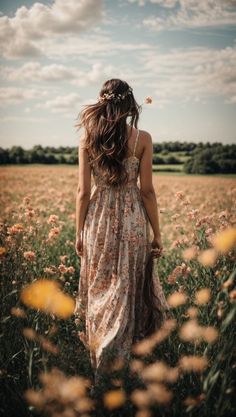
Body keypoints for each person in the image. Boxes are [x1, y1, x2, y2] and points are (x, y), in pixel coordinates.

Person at [74, 79, 169, 386]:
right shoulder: (142, 138)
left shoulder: (88, 137)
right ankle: (126, 359)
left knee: (101, 287)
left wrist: (78, 233)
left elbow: (82, 192)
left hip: (98, 220)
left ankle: (102, 353)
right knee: (127, 289)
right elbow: (148, 192)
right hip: (132, 222)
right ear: (130, 105)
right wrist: (157, 234)